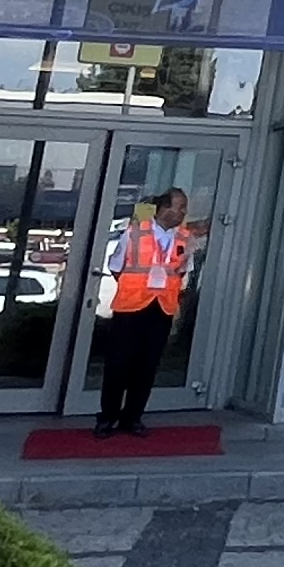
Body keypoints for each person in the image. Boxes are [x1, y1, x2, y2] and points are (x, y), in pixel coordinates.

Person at [87, 186, 192, 436]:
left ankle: (133, 417)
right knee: (118, 364)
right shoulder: (134, 232)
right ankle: (107, 417)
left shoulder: (185, 238)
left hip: (162, 308)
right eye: (180, 207)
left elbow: (183, 273)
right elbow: (116, 266)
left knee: (147, 366)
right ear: (164, 208)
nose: (183, 213)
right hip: (131, 307)